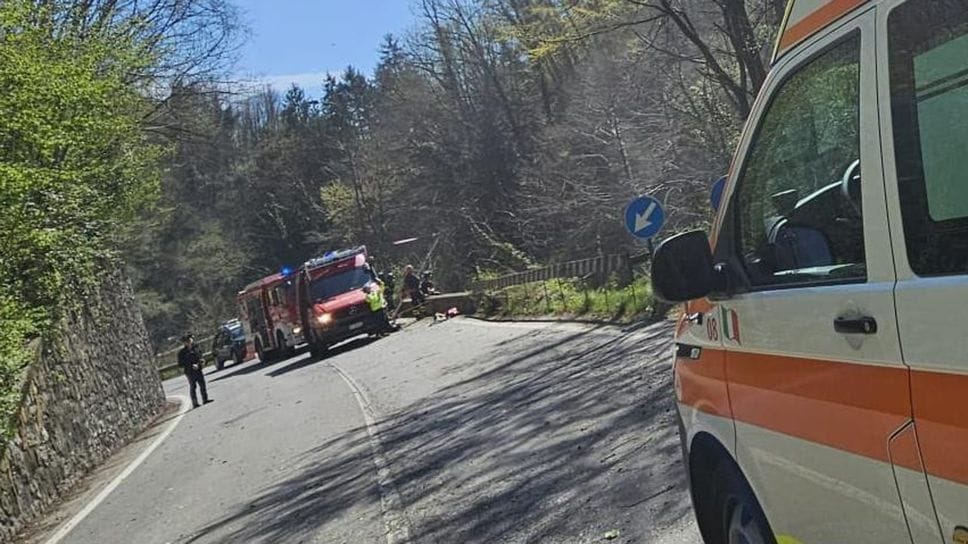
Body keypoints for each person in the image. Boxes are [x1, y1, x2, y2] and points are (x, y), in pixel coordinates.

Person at [177, 333, 212, 408]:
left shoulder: (196, 348)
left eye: (190, 340)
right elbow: (180, 364)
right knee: (193, 386)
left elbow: (200, 357)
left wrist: (200, 362)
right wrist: (190, 365)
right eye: (187, 341)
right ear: (184, 343)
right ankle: (195, 403)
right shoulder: (182, 353)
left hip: (198, 369)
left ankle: (205, 399)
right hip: (189, 371)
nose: (189, 342)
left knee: (202, 384)